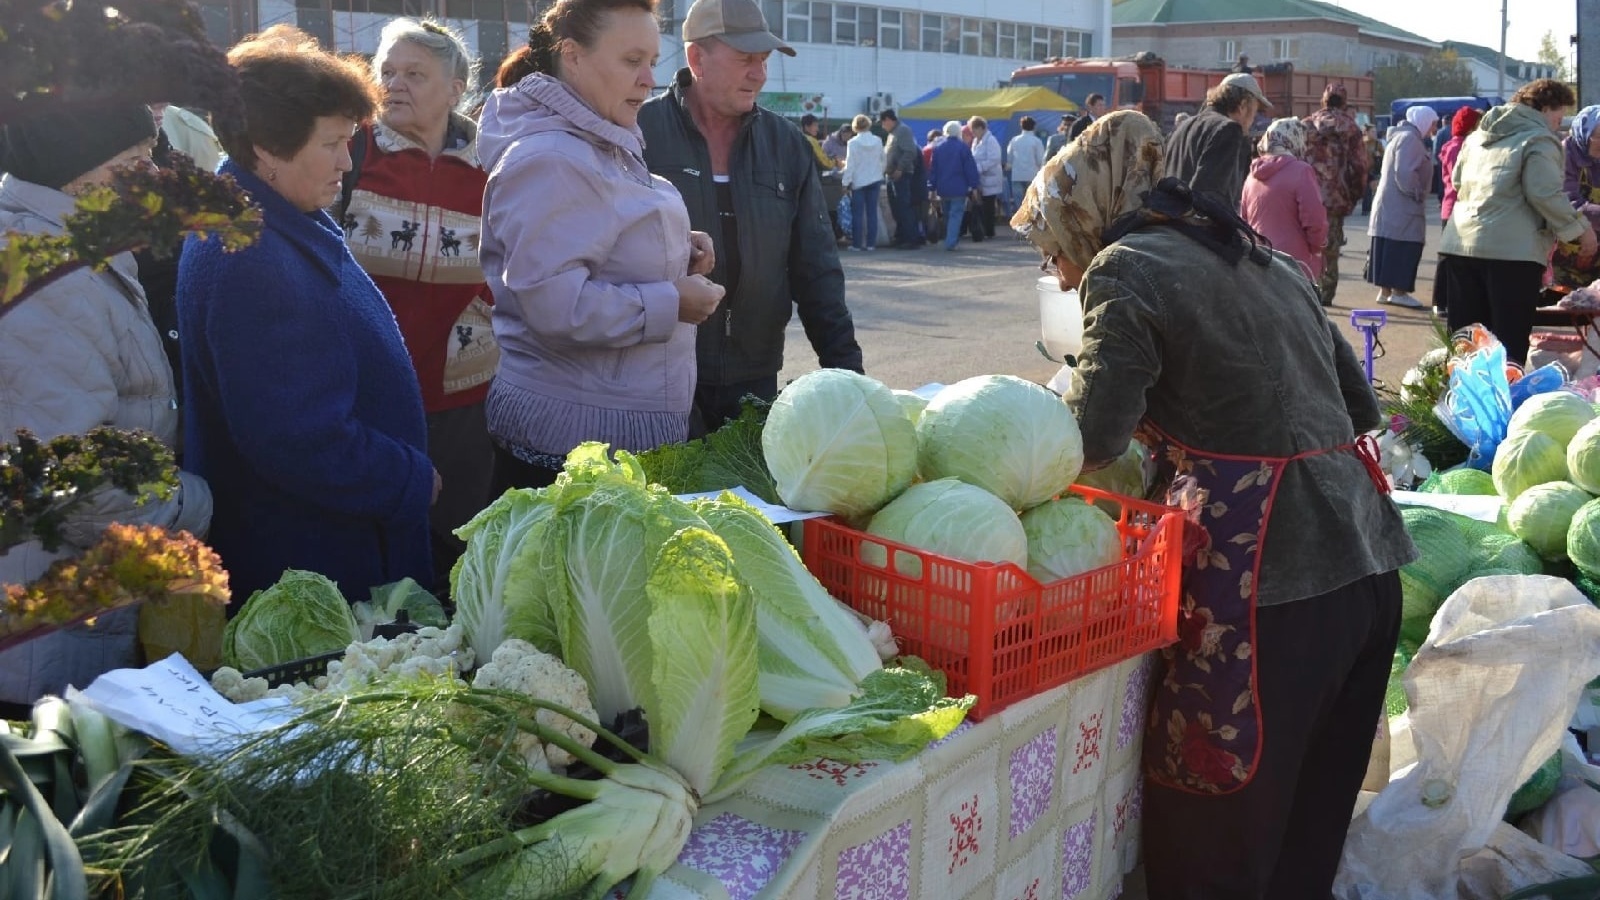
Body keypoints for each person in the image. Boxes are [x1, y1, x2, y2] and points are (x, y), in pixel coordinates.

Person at [1011, 109, 1415, 900]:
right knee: (1306, 828)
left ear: (1094, 209)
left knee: (1211, 839)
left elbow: (1090, 436)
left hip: (1268, 586)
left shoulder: (1127, 266)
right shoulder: (1268, 261)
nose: (1060, 274)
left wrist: (1019, 453)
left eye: (1058, 247)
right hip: (1368, 568)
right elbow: (1359, 408)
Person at [179, 25, 434, 598]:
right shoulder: (248, 257)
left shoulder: (277, 213)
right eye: (331, 143)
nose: (348, 160)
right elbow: (298, 439)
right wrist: (409, 480)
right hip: (316, 566)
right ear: (267, 148)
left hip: (334, 545)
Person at [0, 106, 213, 708]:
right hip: (39, 655)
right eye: (131, 164)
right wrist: (201, 500)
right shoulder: (53, 282)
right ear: (73, 175)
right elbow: (78, 490)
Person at [478, 0, 722, 490]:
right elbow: (553, 304)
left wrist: (675, 244)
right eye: (632, 61)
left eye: (653, 62)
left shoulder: (598, 137)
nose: (649, 80)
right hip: (573, 451)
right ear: (572, 55)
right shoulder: (550, 155)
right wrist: (672, 301)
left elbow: (604, 233)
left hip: (603, 436)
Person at [637, 0, 862, 434]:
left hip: (755, 377)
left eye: (763, 60)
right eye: (745, 59)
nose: (759, 73)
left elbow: (816, 271)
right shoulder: (641, 135)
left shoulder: (787, 145)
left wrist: (849, 377)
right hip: (659, 376)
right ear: (696, 58)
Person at [335, 18, 497, 588]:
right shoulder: (351, 152)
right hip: (365, 395)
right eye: (388, 72)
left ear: (456, 89)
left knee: (451, 553)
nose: (395, 84)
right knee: (373, 559)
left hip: (460, 400)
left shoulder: (493, 163)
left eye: (415, 74)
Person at [1441, 80, 1597, 365]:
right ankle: (1503, 406)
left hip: (1460, 245)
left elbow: (1457, 181)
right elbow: (1544, 191)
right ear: (1543, 108)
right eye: (1558, 114)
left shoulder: (1478, 136)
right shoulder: (1539, 138)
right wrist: (1580, 230)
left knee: (1466, 345)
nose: (1558, 122)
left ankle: (1461, 406)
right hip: (1512, 256)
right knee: (1506, 346)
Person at [1366, 105, 1438, 309]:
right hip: (1402, 207)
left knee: (1388, 246)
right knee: (1403, 247)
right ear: (1423, 121)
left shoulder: (1400, 137)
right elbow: (1405, 173)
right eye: (1432, 123)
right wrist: (1418, 193)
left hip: (1391, 207)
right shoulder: (1411, 140)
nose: (1434, 128)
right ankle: (1399, 291)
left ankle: (1386, 290)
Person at [1240, 117, 1329, 283]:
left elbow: (1244, 221)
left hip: (1259, 259)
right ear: (1295, 140)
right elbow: (1315, 220)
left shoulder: (1252, 175)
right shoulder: (1301, 171)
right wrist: (1318, 249)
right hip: (1295, 263)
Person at [1165, 73, 1271, 212]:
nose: (1253, 120)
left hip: (1168, 224)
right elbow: (1208, 195)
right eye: (1255, 111)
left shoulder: (1182, 127)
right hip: (1196, 229)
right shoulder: (1228, 129)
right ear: (1243, 105)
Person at [1302, 83, 1368, 305]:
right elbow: (1359, 168)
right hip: (1334, 199)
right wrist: (1353, 196)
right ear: (1344, 102)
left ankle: (1303, 290)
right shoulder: (1350, 129)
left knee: (1304, 245)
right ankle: (1325, 296)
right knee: (1330, 250)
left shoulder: (1305, 125)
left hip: (1304, 196)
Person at [1433, 106, 1482, 313]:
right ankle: (1440, 300)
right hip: (1456, 207)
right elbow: (1457, 179)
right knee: (1448, 258)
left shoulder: (1459, 145)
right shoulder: (1458, 147)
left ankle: (1449, 299)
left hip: (1457, 206)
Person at [1551, 104, 1600, 292]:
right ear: (1585, 133)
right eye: (1599, 137)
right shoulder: (1563, 156)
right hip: (1566, 249)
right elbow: (1568, 202)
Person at [929, 119, 980, 251]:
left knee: (947, 214)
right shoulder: (963, 148)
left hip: (943, 188)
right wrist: (974, 186)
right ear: (959, 132)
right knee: (956, 215)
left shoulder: (938, 149)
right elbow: (970, 169)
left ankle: (951, 238)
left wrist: (932, 188)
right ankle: (951, 241)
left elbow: (933, 170)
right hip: (959, 188)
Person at [839, 113, 885, 252]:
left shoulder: (853, 143)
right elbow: (883, 159)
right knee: (872, 213)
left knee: (857, 214)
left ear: (855, 126)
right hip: (875, 179)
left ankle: (857, 244)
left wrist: (845, 183)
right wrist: (879, 173)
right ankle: (871, 244)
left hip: (858, 182)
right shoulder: (878, 140)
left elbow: (850, 164)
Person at [879, 108, 923, 249]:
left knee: (904, 207)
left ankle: (911, 238)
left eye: (883, 123)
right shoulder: (893, 133)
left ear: (888, 120)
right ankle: (901, 236)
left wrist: (900, 168)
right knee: (896, 208)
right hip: (892, 175)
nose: (882, 126)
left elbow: (910, 151)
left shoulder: (903, 130)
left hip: (901, 175)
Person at [967, 115, 1003, 239]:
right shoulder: (976, 142)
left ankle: (989, 231)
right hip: (980, 179)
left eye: (974, 130)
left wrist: (980, 167)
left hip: (990, 178)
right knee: (980, 205)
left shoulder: (991, 140)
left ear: (981, 128)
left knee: (988, 206)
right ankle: (982, 229)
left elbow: (995, 158)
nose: (973, 133)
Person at [1006, 115, 1046, 217]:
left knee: (1019, 202)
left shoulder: (1014, 140)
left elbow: (1009, 157)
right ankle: (1031, 220)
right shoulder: (1036, 141)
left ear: (1021, 126)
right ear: (1034, 127)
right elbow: (1040, 159)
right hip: (1032, 174)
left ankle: (1021, 220)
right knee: (1032, 200)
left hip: (1017, 174)